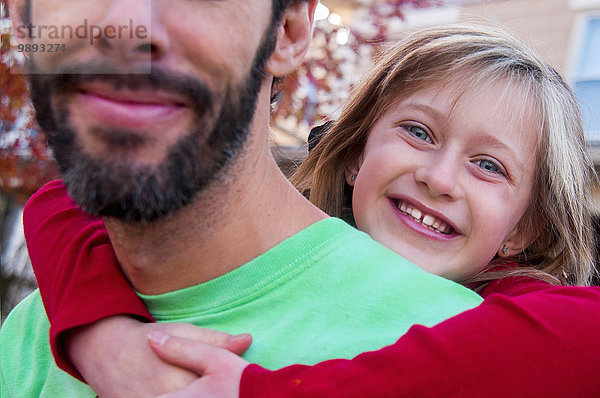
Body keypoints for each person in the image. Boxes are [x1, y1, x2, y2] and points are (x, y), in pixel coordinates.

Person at [19, 23, 600, 398]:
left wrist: (256, 392)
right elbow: (62, 202)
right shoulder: (261, 254)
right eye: (418, 132)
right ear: (355, 156)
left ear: (523, 230)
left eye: (488, 166)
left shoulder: (519, 318)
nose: (438, 176)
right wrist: (108, 341)